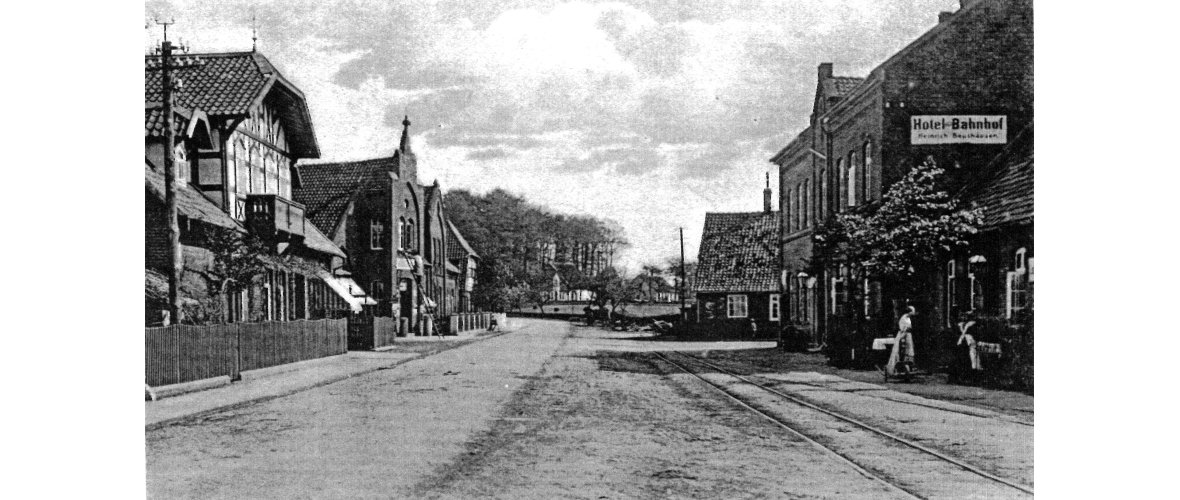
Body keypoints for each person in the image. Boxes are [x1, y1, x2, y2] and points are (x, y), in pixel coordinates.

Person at [885, 306, 917, 376]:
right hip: (904, 335)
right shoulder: (904, 318)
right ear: (909, 312)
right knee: (901, 349)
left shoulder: (908, 318)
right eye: (912, 312)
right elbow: (903, 329)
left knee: (909, 350)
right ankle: (898, 367)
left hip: (908, 335)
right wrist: (903, 335)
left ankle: (909, 365)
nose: (913, 313)